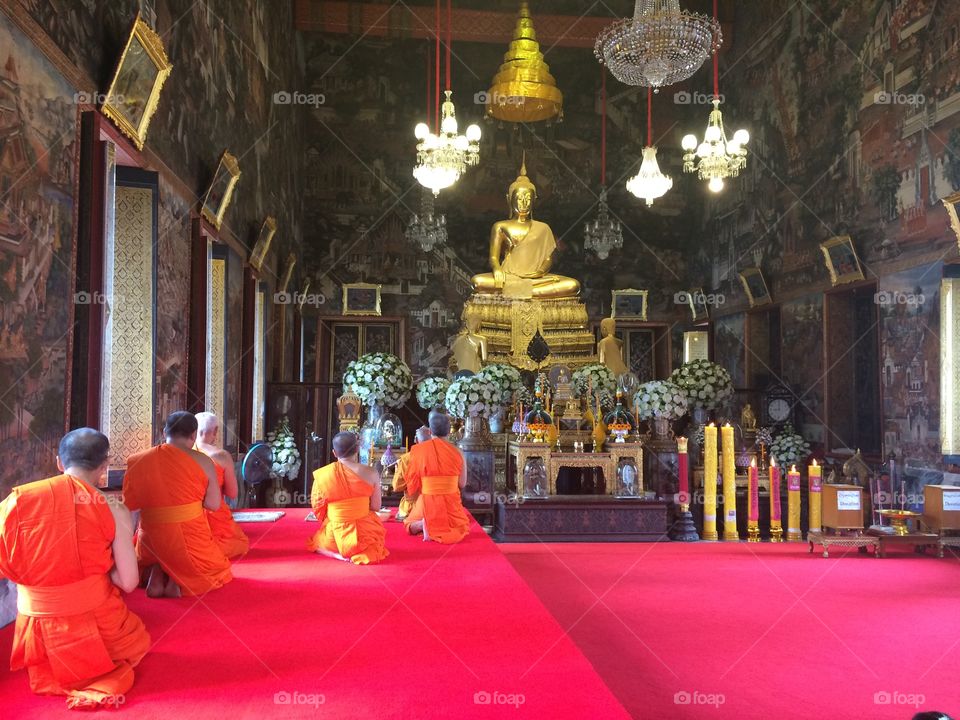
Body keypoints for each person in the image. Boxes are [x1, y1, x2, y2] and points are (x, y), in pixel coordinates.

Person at [0, 428, 150, 709]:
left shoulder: (16, 502)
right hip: (95, 627)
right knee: (137, 639)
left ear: (59, 462)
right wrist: (98, 572)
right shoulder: (112, 508)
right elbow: (129, 582)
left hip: (38, 634)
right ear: (104, 467)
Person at [123, 411, 232, 598]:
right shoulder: (204, 461)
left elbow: (130, 505)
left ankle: (157, 569)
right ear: (193, 435)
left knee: (156, 548)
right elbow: (214, 504)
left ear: (164, 431)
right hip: (190, 535)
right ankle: (177, 577)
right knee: (217, 569)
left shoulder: (136, 460)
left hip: (151, 538)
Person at [308, 432, 388, 564]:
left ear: (334, 452)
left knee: (317, 542)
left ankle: (334, 553)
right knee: (372, 546)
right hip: (364, 537)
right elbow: (376, 507)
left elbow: (318, 509)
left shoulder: (324, 474)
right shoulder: (372, 473)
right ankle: (354, 552)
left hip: (334, 538)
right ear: (357, 449)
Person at [403, 411, 470, 543]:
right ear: (449, 432)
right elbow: (462, 483)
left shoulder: (419, 450)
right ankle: (435, 524)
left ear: (429, 431)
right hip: (450, 503)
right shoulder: (458, 452)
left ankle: (422, 523)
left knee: (408, 525)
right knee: (459, 528)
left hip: (427, 502)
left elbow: (412, 483)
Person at [194, 412, 249, 559]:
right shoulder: (221, 456)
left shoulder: (182, 454)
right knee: (237, 544)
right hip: (215, 513)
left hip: (189, 514)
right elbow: (232, 493)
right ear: (216, 431)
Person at [392, 426, 433, 521]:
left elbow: (396, 487)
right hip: (433, 506)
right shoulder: (438, 458)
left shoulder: (406, 459)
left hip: (411, 508)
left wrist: (397, 468)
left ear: (416, 440)